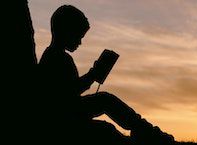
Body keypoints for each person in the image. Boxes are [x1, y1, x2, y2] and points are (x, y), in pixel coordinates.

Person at [39, 5, 175, 145]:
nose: (80, 42)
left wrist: (92, 75)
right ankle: (147, 133)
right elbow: (68, 93)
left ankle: (145, 132)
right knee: (106, 125)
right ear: (65, 31)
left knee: (105, 103)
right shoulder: (55, 58)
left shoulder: (55, 56)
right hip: (63, 117)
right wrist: (92, 75)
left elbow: (70, 91)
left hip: (67, 112)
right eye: (78, 36)